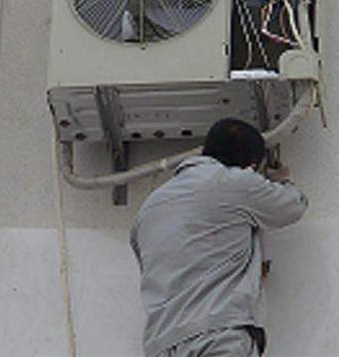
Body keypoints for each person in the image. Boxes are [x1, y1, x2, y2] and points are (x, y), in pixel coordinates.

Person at [130, 118, 308, 357]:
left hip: (161, 344)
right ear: (251, 165)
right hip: (217, 335)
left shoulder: (149, 207)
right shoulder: (235, 182)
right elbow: (292, 206)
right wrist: (282, 180)